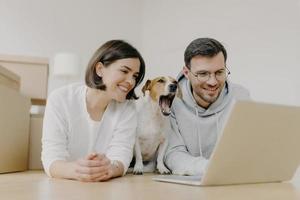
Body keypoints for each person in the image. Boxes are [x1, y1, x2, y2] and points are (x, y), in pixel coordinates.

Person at [42, 40, 145, 182]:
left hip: (106, 187)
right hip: (64, 186)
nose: (131, 82)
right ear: (99, 69)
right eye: (124, 71)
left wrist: (108, 169)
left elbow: (121, 156)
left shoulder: (127, 107)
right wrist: (80, 170)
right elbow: (51, 159)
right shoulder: (60, 99)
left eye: (135, 76)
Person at [164, 38, 250, 176]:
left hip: (232, 181)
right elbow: (173, 154)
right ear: (186, 73)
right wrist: (211, 168)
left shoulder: (241, 96)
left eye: (219, 72)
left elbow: (248, 147)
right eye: (203, 74)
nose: (213, 82)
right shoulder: (171, 101)